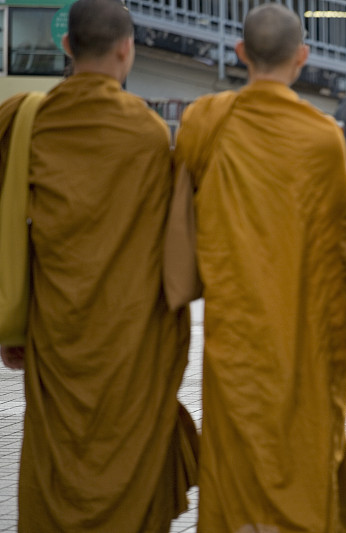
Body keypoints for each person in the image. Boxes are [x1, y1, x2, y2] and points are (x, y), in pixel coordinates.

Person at [0, 0, 198, 531]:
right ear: (127, 49)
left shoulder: (28, 122)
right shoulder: (148, 133)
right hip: (128, 344)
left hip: (55, 334)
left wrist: (12, 321)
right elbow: (164, 251)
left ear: (67, 46)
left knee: (57, 464)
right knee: (126, 459)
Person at [173, 4, 346, 532]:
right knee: (302, 449)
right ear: (303, 57)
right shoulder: (322, 137)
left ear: (240, 53)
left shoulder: (204, 121)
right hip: (305, 332)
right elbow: (342, 247)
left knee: (236, 452)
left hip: (234, 332)